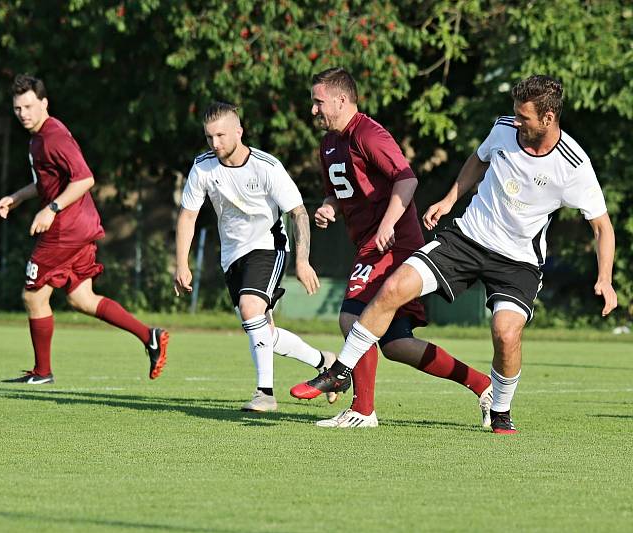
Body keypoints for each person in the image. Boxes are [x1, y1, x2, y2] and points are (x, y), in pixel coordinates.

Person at [293, 74, 617, 433]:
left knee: (506, 334)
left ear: (548, 118)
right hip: (468, 237)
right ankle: (342, 372)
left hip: (518, 260)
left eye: (524, 117)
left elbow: (602, 227)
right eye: (515, 114)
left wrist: (604, 278)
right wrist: (449, 200)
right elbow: (478, 161)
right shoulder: (505, 128)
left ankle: (501, 408)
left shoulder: (573, 165)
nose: (517, 123)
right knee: (394, 287)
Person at [289, 67, 493, 429]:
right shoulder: (329, 144)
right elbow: (340, 190)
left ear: (341, 99)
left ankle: (363, 410)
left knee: (352, 317)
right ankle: (482, 385)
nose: (313, 110)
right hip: (370, 243)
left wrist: (386, 226)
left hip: (392, 243)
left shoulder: (368, 133)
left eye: (318, 102)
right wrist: (328, 208)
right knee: (397, 344)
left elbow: (407, 179)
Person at [0, 74, 168, 384]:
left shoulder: (53, 136)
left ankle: (42, 372)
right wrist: (17, 198)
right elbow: (48, 182)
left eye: (29, 106)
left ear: (44, 103)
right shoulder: (38, 137)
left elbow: (85, 179)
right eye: (18, 108)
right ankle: (149, 336)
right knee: (81, 299)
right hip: (80, 225)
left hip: (66, 228)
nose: (23, 113)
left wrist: (51, 209)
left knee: (33, 297)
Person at [174, 101, 340, 412]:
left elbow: (299, 213)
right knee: (264, 332)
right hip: (232, 257)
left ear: (239, 131)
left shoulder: (267, 166)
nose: (215, 143)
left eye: (221, 135)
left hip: (269, 247)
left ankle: (265, 393)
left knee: (251, 308)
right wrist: (181, 263)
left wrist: (302, 261)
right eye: (209, 137)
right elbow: (187, 216)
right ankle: (326, 363)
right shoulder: (203, 167)